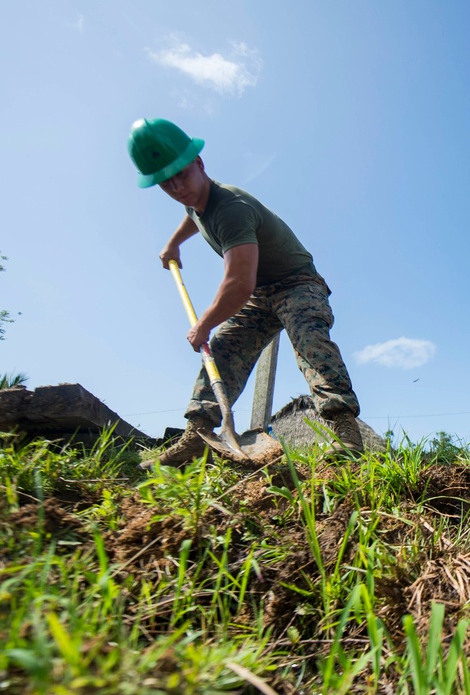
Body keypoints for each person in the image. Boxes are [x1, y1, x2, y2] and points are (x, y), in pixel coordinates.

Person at [127, 117, 364, 468]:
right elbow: (192, 216)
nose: (176, 187)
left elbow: (239, 283)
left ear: (199, 164)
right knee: (221, 348)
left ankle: (345, 432)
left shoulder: (231, 209)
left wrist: (203, 323)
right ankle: (197, 437)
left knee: (309, 341)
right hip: (260, 293)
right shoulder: (195, 201)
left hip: (297, 282)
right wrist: (172, 245)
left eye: (181, 174)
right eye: (165, 182)